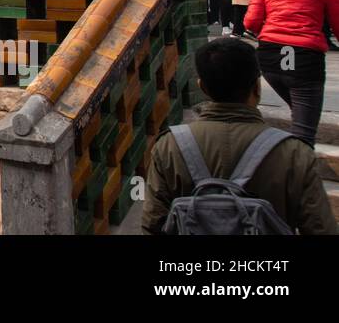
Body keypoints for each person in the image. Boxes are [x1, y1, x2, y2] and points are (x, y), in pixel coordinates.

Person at [141, 37, 336, 234]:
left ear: (202, 87)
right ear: (257, 87)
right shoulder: (295, 153)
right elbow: (320, 228)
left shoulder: (169, 146)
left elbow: (152, 224)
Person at [245, 0, 339, 147]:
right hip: (306, 59)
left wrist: (271, 30)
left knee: (299, 113)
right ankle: (296, 173)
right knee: (304, 131)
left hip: (270, 56)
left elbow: (250, 22)